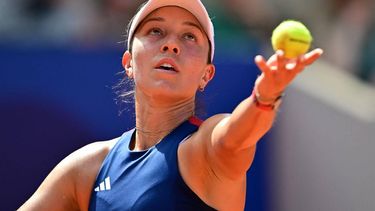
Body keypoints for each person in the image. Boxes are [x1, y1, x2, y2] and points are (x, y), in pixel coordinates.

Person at [18, 0, 323, 210]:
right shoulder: (86, 168)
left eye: (190, 36)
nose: (171, 44)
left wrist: (265, 97)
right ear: (129, 63)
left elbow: (236, 137)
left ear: (207, 75)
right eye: (156, 31)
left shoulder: (204, 148)